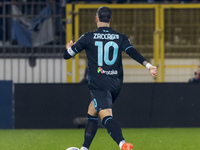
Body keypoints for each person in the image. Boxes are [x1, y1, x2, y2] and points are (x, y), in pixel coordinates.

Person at [63, 6, 157, 150]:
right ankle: (84, 149)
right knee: (92, 110)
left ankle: (122, 144)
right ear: (111, 20)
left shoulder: (88, 37)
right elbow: (133, 52)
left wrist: (69, 47)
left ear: (96, 19)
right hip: (115, 84)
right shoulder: (121, 37)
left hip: (99, 84)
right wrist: (149, 66)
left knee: (106, 115)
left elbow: (67, 56)